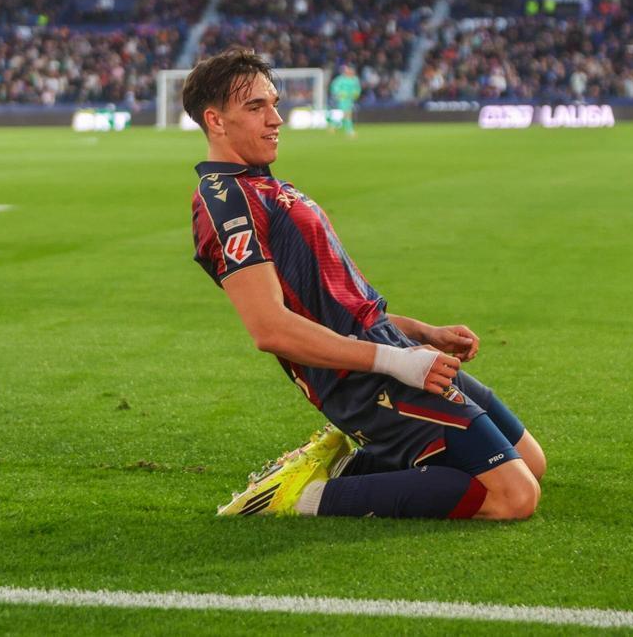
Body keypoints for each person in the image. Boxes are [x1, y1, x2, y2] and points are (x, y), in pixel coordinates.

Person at [185, 49, 546, 520]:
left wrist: (420, 332)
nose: (276, 119)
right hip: (358, 380)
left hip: (390, 351)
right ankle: (302, 497)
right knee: (513, 497)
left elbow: (337, 302)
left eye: (273, 104)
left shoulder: (267, 186)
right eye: (256, 108)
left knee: (530, 464)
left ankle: (345, 469)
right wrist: (398, 362)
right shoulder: (225, 201)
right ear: (215, 120)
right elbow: (270, 328)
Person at [329, 64, 361, 137]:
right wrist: (339, 94)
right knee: (348, 114)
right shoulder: (340, 79)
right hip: (342, 99)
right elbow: (334, 87)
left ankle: (334, 125)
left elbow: (358, 88)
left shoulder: (355, 79)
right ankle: (349, 131)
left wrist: (356, 93)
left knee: (345, 114)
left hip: (350, 99)